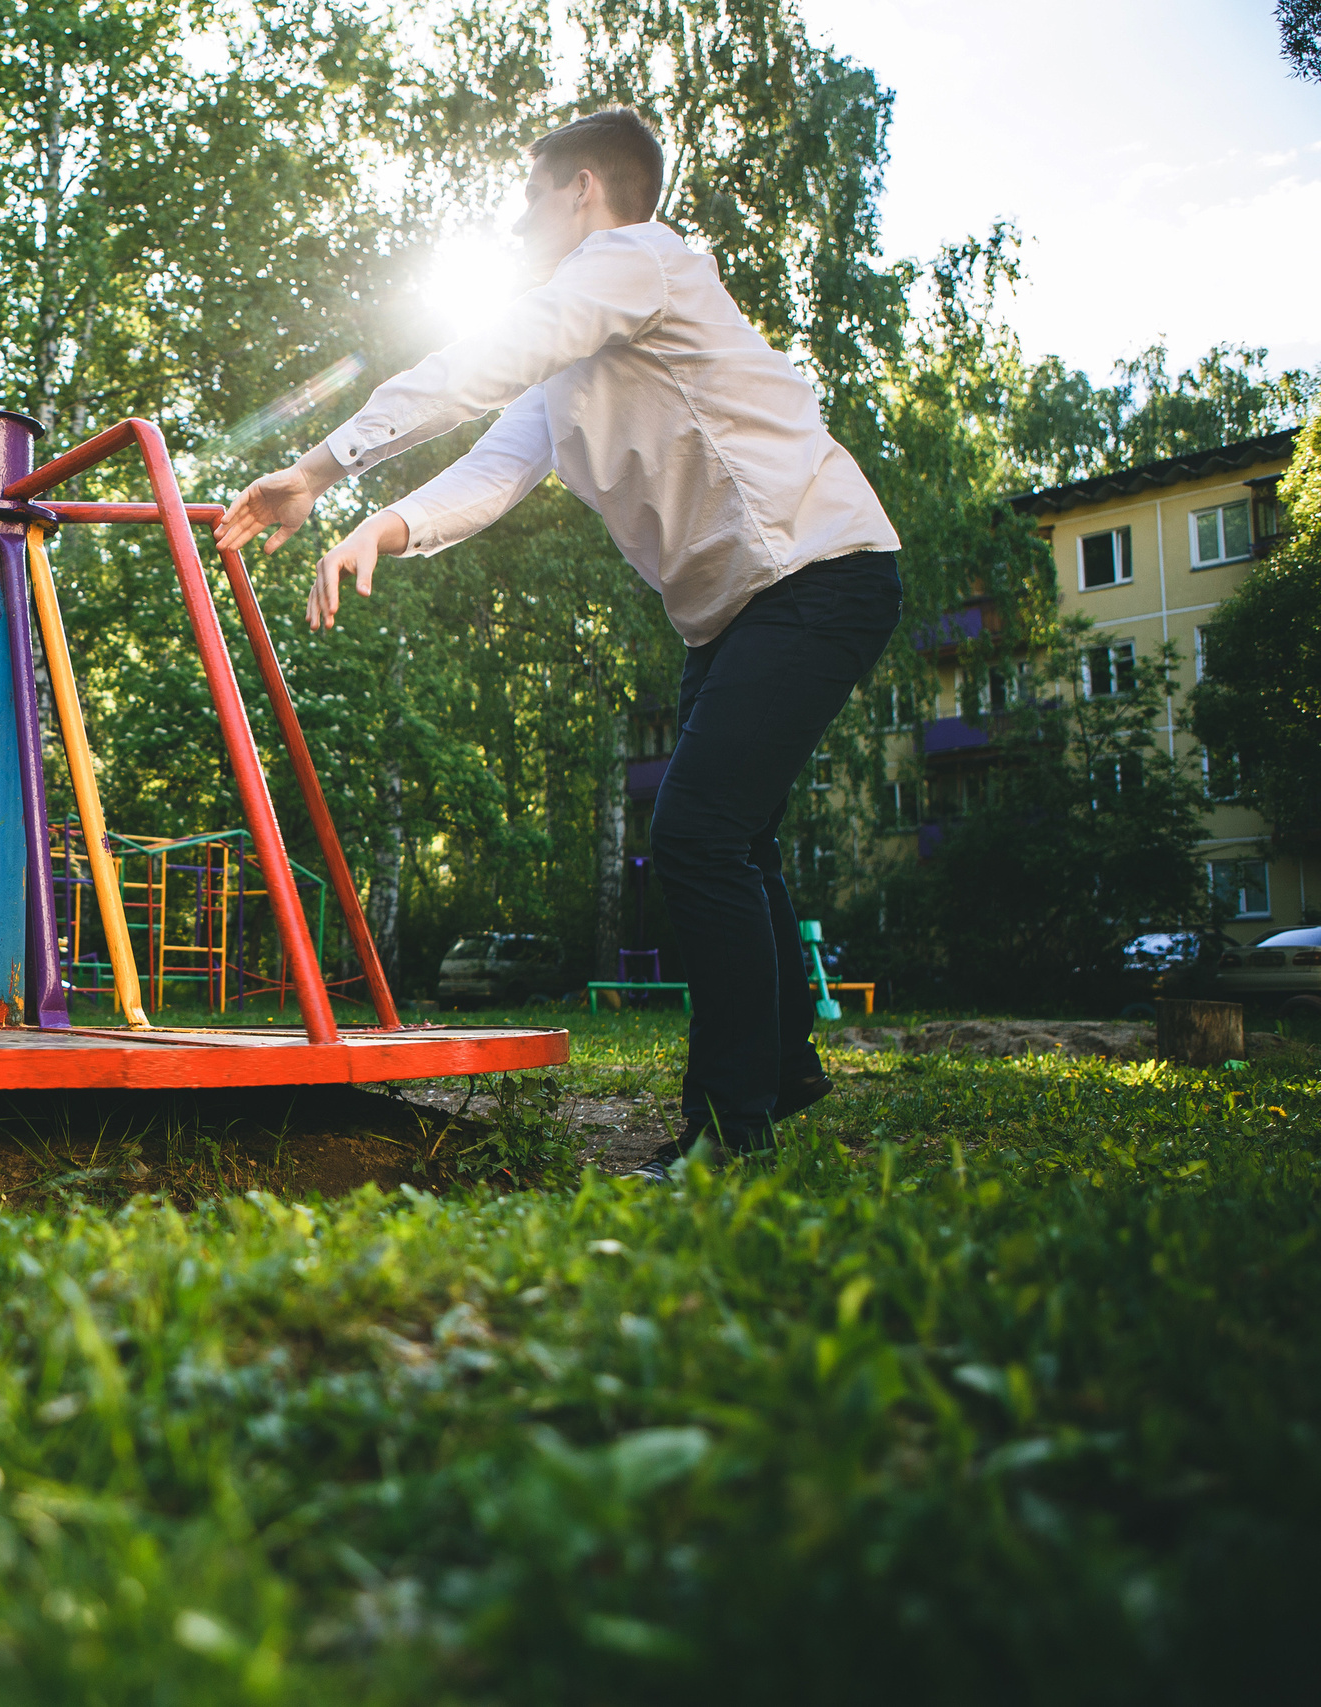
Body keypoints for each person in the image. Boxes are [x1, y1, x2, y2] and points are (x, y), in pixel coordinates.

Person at [217, 107, 903, 1166]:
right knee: (738, 841)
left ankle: (730, 1128)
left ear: (583, 188)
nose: (517, 222)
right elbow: (495, 470)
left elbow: (480, 360)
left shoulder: (639, 262)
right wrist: (380, 527)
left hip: (818, 571)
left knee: (697, 837)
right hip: (737, 610)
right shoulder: (579, 349)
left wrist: (318, 465)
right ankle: (783, 1067)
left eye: (529, 198)